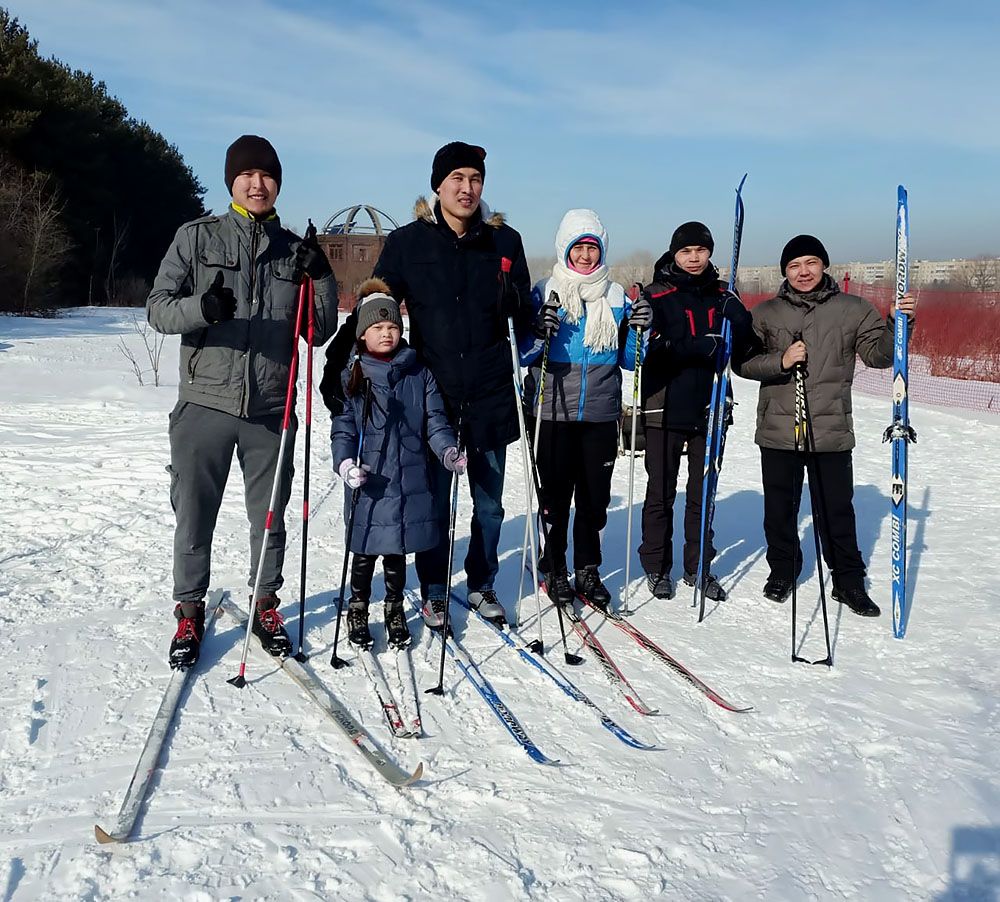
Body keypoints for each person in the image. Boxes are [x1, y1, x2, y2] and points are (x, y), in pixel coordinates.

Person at [147, 134, 339, 669]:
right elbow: (158, 309)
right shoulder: (196, 238)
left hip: (270, 408)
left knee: (270, 517)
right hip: (204, 403)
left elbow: (318, 332)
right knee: (193, 513)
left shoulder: (294, 251)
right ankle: (189, 610)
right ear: (232, 180)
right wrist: (201, 308)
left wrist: (321, 276)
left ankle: (265, 603)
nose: (258, 184)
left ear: (278, 182)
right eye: (247, 175)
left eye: (268, 175)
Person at [322, 141, 531, 628]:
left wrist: (528, 312)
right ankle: (435, 588)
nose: (467, 188)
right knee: (433, 500)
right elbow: (374, 305)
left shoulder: (505, 243)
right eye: (456, 178)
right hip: (431, 391)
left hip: (490, 390)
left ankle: (481, 583)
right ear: (438, 185)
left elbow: (521, 312)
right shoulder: (408, 243)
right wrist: (338, 362)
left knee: (490, 504)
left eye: (475, 179)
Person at [735, 234, 917, 616]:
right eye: (794, 266)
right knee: (780, 509)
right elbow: (744, 363)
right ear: (784, 271)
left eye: (811, 263)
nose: (803, 272)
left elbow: (881, 356)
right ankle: (783, 570)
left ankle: (848, 581)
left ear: (824, 266)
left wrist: (898, 325)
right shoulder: (765, 314)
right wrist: (781, 361)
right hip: (780, 429)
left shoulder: (853, 309)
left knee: (836, 509)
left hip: (831, 428)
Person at [516, 209, 649, 609]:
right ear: (565, 249)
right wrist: (540, 331)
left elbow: (629, 359)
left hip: (601, 413)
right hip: (553, 409)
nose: (587, 256)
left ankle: (588, 568)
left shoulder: (615, 294)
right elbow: (524, 353)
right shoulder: (545, 290)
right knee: (555, 497)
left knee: (594, 498)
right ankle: (554, 565)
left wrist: (641, 329)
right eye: (580, 247)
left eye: (593, 247)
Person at [329, 281, 465, 648]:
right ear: (362, 334)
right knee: (364, 547)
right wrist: (344, 465)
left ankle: (393, 605)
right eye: (378, 328)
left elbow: (435, 421)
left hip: (408, 477)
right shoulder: (353, 375)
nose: (386, 333)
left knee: (396, 549)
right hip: (369, 478)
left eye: (393, 327)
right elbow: (343, 427)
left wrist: (448, 451)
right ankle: (358, 604)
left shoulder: (419, 373)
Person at [637, 222, 755, 601]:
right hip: (665, 406)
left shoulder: (723, 294)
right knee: (661, 493)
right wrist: (691, 347)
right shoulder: (656, 295)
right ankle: (656, 567)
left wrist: (742, 320)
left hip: (711, 407)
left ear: (709, 253)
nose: (693, 258)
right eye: (686, 251)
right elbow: (646, 351)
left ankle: (698, 566)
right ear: (674, 253)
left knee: (703, 494)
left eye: (700, 251)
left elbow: (743, 352)